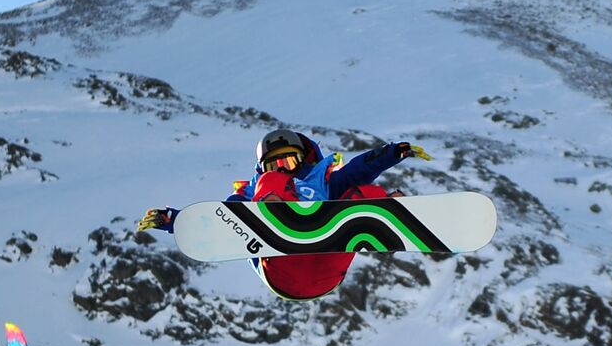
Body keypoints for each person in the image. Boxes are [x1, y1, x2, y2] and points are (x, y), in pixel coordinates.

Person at [139, 128, 433, 300]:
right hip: (281, 266)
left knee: (362, 194)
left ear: (303, 159)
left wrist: (395, 152)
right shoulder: (253, 190)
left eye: (288, 160)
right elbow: (221, 221)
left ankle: (386, 222)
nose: (281, 168)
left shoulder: (325, 181)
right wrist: (174, 220)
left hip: (325, 267)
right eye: (273, 163)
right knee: (265, 189)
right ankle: (278, 220)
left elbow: (360, 169)